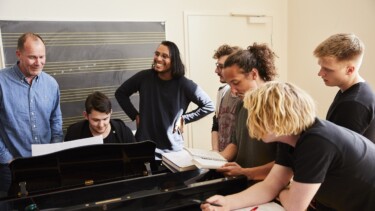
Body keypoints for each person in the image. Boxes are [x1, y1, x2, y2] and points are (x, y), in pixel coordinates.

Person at [201, 81, 375, 211]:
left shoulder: (316, 142)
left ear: (275, 118)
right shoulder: (290, 137)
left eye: (256, 116)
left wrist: (283, 191)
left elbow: (295, 206)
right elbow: (270, 185)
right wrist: (228, 203)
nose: (251, 122)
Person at [115, 40, 214, 158]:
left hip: (172, 150)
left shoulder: (184, 84)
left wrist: (184, 119)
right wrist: (135, 115)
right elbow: (120, 93)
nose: (158, 58)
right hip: (144, 146)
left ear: (174, 61)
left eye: (164, 56)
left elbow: (209, 105)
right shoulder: (144, 77)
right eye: (157, 54)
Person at [0, 32, 63, 197]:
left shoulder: (51, 84)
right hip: (10, 167)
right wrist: (8, 159)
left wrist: (55, 151)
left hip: (46, 166)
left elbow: (55, 122)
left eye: (42, 57)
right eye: (32, 57)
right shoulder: (1, 82)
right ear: (18, 54)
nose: (39, 62)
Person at [217, 43, 277, 181]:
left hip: (269, 187)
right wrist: (214, 160)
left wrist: (245, 172)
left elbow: (286, 163)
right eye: (229, 85)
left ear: (254, 74)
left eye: (236, 83)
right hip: (245, 183)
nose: (233, 90)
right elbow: (235, 143)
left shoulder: (277, 106)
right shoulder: (241, 104)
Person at [314, 33, 375, 143]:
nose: (320, 73)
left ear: (350, 70)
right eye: (321, 66)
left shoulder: (354, 103)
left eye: (328, 69)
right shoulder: (351, 92)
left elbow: (339, 153)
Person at [65, 91, 135, 143]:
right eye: (96, 120)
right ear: (86, 115)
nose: (101, 125)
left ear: (110, 113)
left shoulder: (123, 131)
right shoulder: (74, 133)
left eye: (105, 119)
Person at [211, 44, 242, 151]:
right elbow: (216, 125)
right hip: (221, 159)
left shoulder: (243, 95)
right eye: (217, 65)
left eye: (221, 66)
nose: (216, 70)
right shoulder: (222, 92)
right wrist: (215, 153)